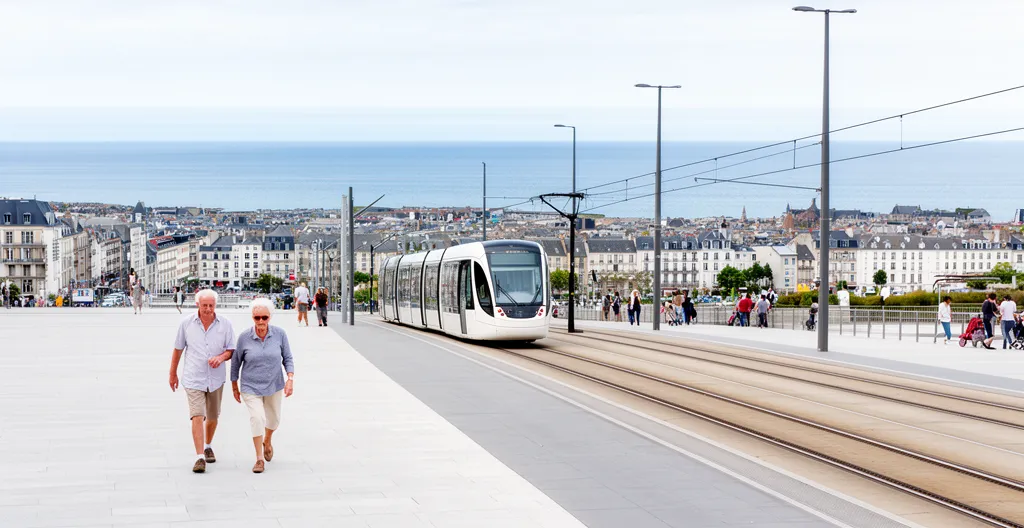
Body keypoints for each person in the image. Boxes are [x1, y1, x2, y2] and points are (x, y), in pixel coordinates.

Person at [168, 289, 237, 473]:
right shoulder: (186, 324)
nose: (208, 309)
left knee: (213, 418)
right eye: (204, 305)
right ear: (197, 304)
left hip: (215, 378)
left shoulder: (225, 324)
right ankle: (199, 457)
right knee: (197, 415)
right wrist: (172, 373)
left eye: (211, 305)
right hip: (193, 378)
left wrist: (221, 358)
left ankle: (208, 445)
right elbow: (178, 349)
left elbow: (231, 350)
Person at [231, 298, 295, 474]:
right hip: (250, 386)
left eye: (264, 317)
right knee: (257, 418)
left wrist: (290, 378)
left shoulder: (280, 334)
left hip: (274, 384)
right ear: (252, 317)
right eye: (257, 317)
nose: (260, 321)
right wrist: (234, 385)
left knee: (273, 419)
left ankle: (268, 439)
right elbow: (236, 362)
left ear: (270, 317)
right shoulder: (244, 337)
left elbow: (287, 358)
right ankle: (259, 458)